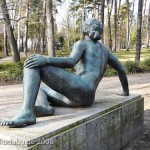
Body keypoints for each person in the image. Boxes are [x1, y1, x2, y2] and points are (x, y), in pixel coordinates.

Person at [1, 18, 129, 127]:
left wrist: (46, 59)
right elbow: (122, 70)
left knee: (33, 63)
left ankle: (27, 112)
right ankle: (45, 108)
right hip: (87, 98)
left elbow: (70, 62)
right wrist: (125, 92)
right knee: (42, 89)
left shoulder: (82, 43)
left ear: (84, 30)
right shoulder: (106, 51)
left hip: (81, 88)